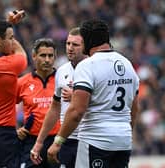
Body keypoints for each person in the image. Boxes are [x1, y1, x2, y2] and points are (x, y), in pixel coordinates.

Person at [42, 19, 140, 168]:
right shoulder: (127, 64)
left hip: (95, 140)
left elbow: (76, 111)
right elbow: (134, 106)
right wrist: (125, 132)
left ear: (87, 41)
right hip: (123, 140)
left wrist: (58, 141)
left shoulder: (88, 65)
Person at [30, 27, 87, 168]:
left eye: (75, 45)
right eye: (68, 44)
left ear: (85, 46)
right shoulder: (62, 71)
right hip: (67, 140)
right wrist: (39, 142)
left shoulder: (93, 68)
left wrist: (77, 96)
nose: (70, 48)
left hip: (89, 139)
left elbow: (104, 102)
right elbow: (55, 108)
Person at [16, 38, 60, 168]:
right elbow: (5, 106)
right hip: (31, 140)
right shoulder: (22, 82)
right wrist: (15, 129)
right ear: (34, 56)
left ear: (55, 57)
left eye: (50, 56)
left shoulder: (64, 80)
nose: (47, 60)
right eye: (43, 55)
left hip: (57, 142)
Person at [0, 11, 27, 167]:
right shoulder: (9, 65)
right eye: (11, 38)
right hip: (3, 134)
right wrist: (9, 24)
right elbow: (22, 54)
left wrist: (6, 27)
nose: (12, 41)